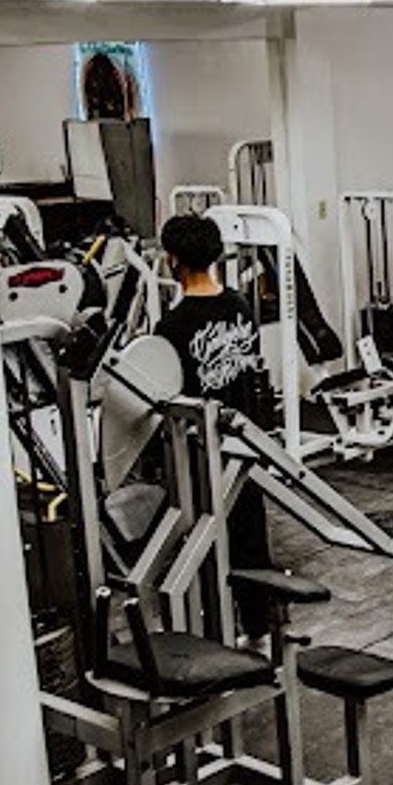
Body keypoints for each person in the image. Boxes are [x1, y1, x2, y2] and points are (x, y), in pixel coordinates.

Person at [155, 213, 275, 638]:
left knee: (203, 546)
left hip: (204, 453)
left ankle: (215, 638)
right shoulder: (240, 306)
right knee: (250, 539)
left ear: (172, 259)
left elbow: (166, 399)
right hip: (246, 443)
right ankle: (261, 632)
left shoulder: (171, 327)